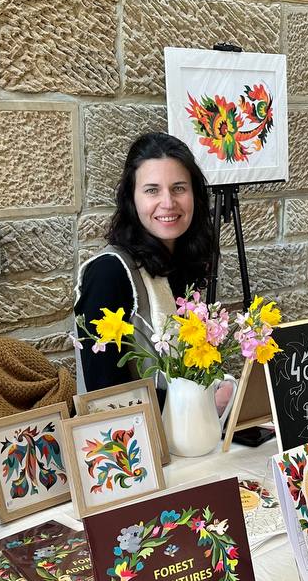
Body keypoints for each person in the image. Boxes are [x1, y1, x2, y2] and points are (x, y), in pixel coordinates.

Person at [74, 132, 215, 393]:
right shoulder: (109, 273)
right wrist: (197, 403)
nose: (168, 203)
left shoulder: (178, 264)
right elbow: (105, 396)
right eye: (152, 190)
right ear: (131, 199)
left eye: (179, 188)